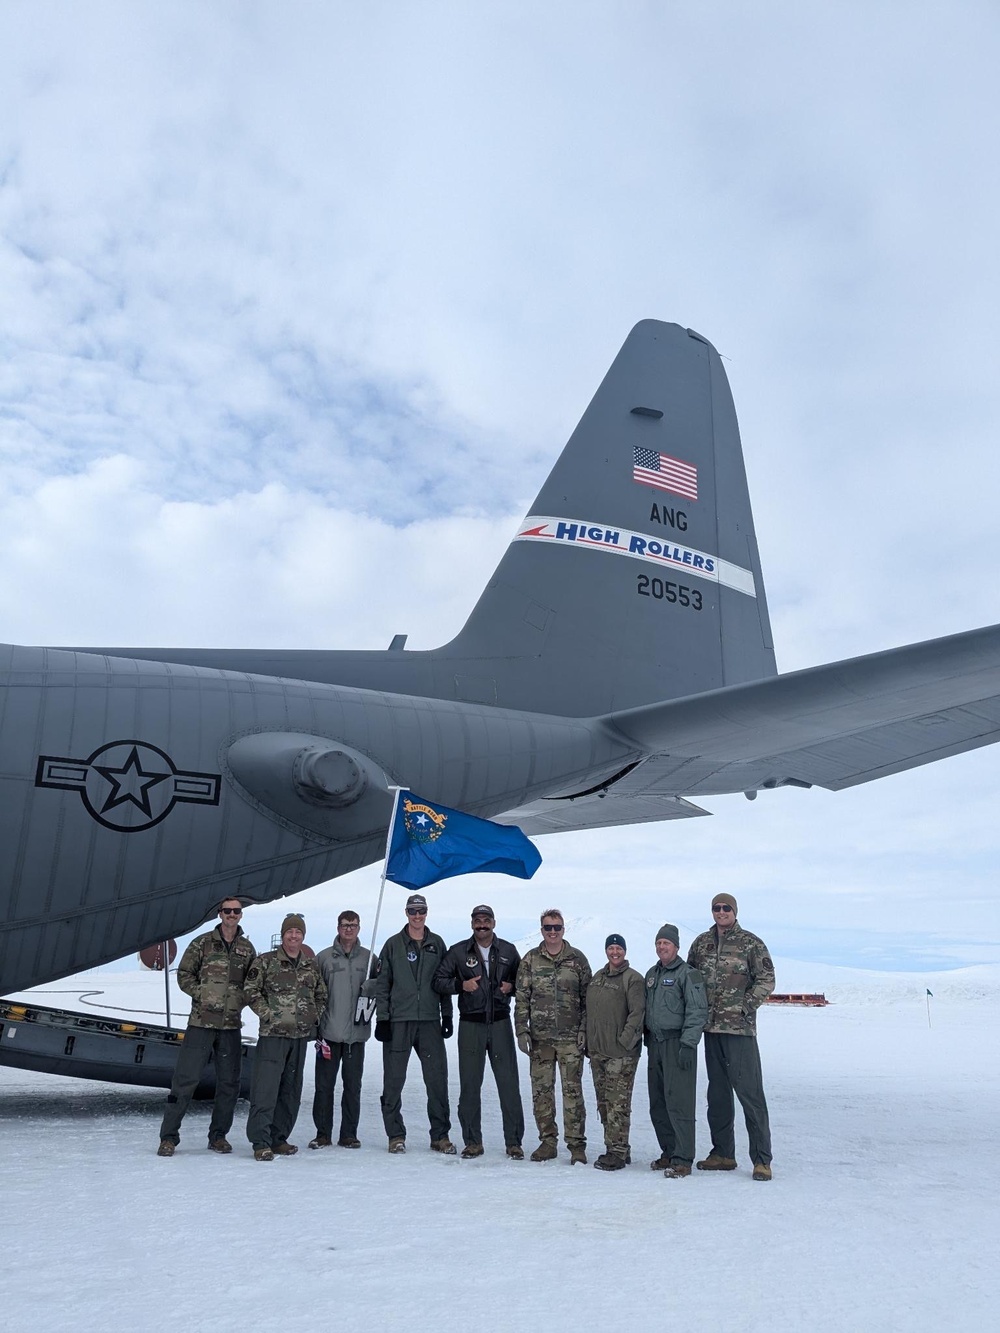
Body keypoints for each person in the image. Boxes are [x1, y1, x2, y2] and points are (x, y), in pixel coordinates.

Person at [156, 897, 257, 1156]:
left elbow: (253, 983)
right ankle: (168, 1137)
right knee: (185, 1080)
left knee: (229, 1083)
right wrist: (201, 993)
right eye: (227, 911)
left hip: (230, 1025)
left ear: (240, 915)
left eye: (236, 911)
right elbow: (184, 974)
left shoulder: (247, 948)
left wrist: (239, 1001)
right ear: (220, 913)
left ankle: (218, 1136)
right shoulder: (202, 943)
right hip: (201, 1022)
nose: (231, 915)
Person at [687, 893, 775, 1181]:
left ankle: (762, 1159)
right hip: (711, 1031)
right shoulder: (701, 943)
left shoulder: (750, 943)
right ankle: (723, 1153)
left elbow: (766, 980)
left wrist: (744, 1007)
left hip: (739, 1032)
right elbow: (690, 979)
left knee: (750, 1095)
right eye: (716, 908)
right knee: (718, 1095)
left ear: (734, 911)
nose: (721, 912)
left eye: (726, 908)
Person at [433, 905, 524, 1159]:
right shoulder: (459, 951)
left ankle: (514, 1143)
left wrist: (512, 987)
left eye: (486, 920)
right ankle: (473, 1141)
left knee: (508, 1084)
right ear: (471, 923)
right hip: (471, 1025)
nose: (482, 924)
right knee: (470, 1086)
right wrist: (461, 985)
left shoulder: (507, 950)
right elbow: (438, 981)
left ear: (494, 922)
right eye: (477, 920)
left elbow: (525, 982)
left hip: (500, 1024)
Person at [373, 893, 455, 1154]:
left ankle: (440, 1136)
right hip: (399, 1021)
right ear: (406, 913)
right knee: (394, 1080)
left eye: (421, 911)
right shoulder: (393, 945)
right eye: (412, 911)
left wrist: (448, 1015)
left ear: (427, 913)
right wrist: (382, 1019)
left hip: (430, 1021)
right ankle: (395, 1135)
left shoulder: (437, 944)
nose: (417, 916)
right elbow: (383, 985)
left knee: (437, 1080)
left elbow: (444, 983)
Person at [244, 913, 327, 1161]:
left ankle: (279, 1138)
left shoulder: (310, 965)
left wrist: (314, 1015)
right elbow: (250, 991)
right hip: (273, 1036)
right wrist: (267, 1014)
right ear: (282, 936)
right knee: (265, 1090)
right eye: (290, 932)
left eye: (298, 932)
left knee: (290, 1092)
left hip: (299, 1038)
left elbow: (321, 994)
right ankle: (260, 1141)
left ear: (303, 936)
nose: (294, 936)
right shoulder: (266, 962)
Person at [514, 908, 592, 1164]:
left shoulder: (577, 960)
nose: (553, 932)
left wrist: (584, 1030)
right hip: (540, 1040)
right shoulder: (530, 960)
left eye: (557, 927)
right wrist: (522, 1030)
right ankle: (548, 1142)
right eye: (548, 927)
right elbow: (522, 998)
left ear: (563, 929)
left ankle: (576, 1145)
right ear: (542, 930)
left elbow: (587, 1000)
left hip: (570, 1040)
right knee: (542, 1093)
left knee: (573, 1093)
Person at [645, 923, 708, 1179]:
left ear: (676, 946)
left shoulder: (688, 974)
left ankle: (683, 1158)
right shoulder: (652, 974)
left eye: (667, 943)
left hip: (678, 1045)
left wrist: (688, 1044)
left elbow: (697, 1011)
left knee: (679, 1103)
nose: (662, 947)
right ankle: (669, 1152)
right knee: (658, 1103)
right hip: (656, 1045)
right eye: (659, 943)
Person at [309, 910, 372, 1150]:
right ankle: (322, 1133)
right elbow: (313, 991)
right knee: (324, 1086)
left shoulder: (369, 958)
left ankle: (349, 1134)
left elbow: (382, 988)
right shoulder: (324, 958)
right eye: (345, 925)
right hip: (329, 1033)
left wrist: (373, 986)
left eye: (353, 925)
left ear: (359, 928)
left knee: (352, 1086)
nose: (349, 929)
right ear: (338, 927)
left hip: (356, 1035)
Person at [586, 933, 645, 1171]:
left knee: (618, 1103)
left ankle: (617, 1152)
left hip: (620, 1054)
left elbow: (638, 1013)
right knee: (604, 1103)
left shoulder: (633, 979)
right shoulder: (598, 977)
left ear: (625, 951)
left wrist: (625, 1042)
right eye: (610, 948)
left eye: (618, 948)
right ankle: (616, 1146)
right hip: (598, 1051)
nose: (614, 952)